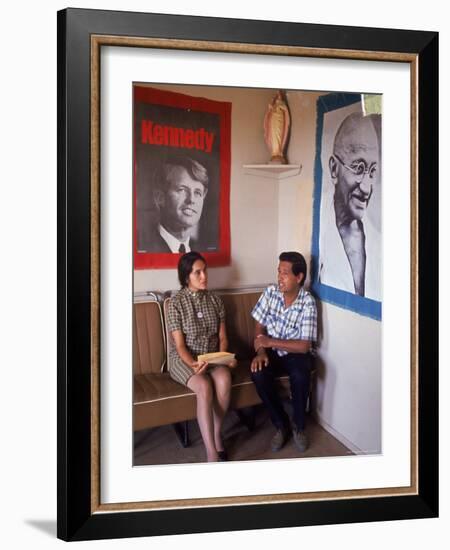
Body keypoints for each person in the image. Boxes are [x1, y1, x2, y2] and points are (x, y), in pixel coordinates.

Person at [167, 252, 237, 462]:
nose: (204, 276)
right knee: (204, 386)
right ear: (186, 276)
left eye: (205, 270)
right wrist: (194, 364)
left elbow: (223, 337)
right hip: (184, 359)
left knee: (224, 379)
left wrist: (224, 357)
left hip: (212, 356)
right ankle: (211, 452)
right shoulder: (176, 303)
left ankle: (216, 433)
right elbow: (179, 346)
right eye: (197, 272)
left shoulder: (215, 300)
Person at [250, 252, 317, 453]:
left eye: (285, 273)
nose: (280, 277)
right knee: (258, 373)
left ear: (299, 277)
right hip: (270, 351)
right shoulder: (270, 292)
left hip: (294, 351)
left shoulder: (307, 301)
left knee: (300, 374)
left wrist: (269, 341)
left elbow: (304, 345)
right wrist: (261, 351)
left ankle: (299, 426)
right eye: (279, 272)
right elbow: (259, 328)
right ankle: (281, 425)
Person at [319, 112, 381, 300]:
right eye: (359, 168)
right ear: (334, 169)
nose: (366, 187)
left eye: (372, 171)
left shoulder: (379, 242)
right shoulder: (321, 239)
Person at [140, 156, 209, 253]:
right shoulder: (143, 247)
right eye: (182, 190)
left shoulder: (203, 251)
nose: (191, 200)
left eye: (197, 193)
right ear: (160, 197)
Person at [263, 90, 291, 164]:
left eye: (279, 97)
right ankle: (275, 152)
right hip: (274, 121)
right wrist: (272, 106)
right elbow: (269, 113)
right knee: (274, 135)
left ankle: (278, 152)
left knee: (279, 135)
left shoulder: (282, 105)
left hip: (280, 121)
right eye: (277, 98)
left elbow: (285, 112)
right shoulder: (273, 106)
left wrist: (280, 106)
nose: (278, 99)